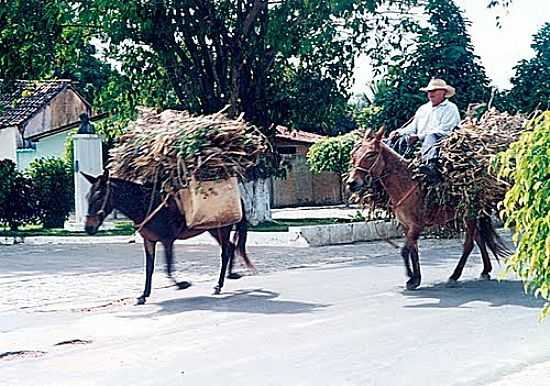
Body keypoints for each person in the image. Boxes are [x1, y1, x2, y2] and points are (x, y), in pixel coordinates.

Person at [388, 78, 460, 181]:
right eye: (429, 91)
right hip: (418, 141)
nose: (431, 93)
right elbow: (413, 127)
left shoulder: (451, 108)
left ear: (443, 92)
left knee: (431, 136)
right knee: (395, 141)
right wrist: (398, 132)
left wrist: (419, 136)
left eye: (434, 91)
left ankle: (430, 165)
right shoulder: (423, 109)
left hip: (439, 142)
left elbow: (446, 130)